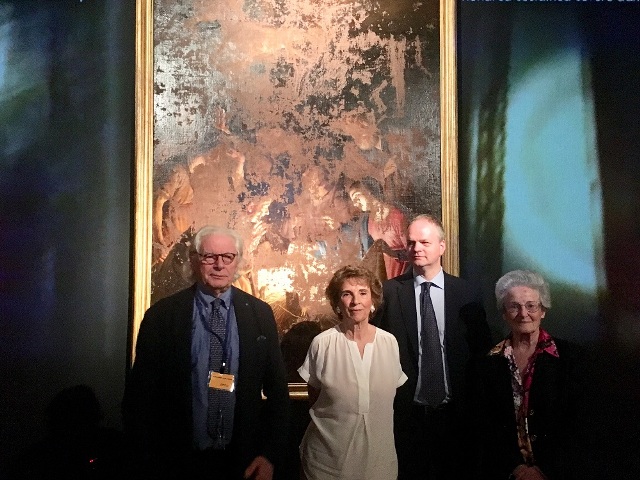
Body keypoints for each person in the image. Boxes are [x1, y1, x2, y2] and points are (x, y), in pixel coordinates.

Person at [123, 225, 290, 480]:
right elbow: (139, 398)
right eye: (209, 257)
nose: (219, 265)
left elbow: (278, 393)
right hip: (178, 463)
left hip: (243, 463)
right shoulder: (162, 316)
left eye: (227, 257)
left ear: (237, 262)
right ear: (194, 260)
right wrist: (150, 463)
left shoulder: (260, 314)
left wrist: (269, 455)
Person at [373, 213, 492, 480]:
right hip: (405, 418)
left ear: (442, 246)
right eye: (411, 242)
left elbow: (481, 352)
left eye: (424, 242)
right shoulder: (389, 293)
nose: (416, 248)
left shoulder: (466, 293)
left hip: (456, 419)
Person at [469, 270, 588, 480]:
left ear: (543, 311)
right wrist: (517, 469)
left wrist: (543, 471)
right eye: (514, 306)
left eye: (531, 306)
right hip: (506, 473)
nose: (523, 313)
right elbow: (484, 426)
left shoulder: (572, 358)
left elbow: (579, 423)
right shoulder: (486, 363)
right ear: (504, 313)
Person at [298, 265, 407, 480]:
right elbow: (314, 398)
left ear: (373, 300)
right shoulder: (322, 344)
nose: (355, 301)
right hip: (326, 465)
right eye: (347, 294)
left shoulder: (389, 343)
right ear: (337, 303)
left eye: (363, 293)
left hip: (379, 464)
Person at [348, 176, 409, 280]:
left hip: (402, 274)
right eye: (352, 200)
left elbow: (412, 253)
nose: (355, 203)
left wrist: (388, 251)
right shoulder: (370, 222)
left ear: (369, 191)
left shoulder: (397, 217)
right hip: (385, 274)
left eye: (357, 196)